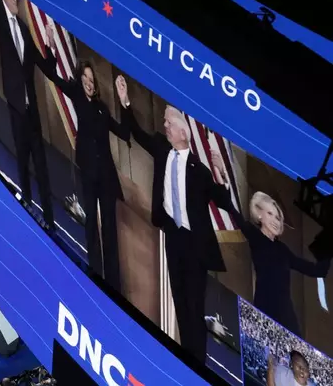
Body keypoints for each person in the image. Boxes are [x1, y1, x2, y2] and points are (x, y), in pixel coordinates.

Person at [116, 76, 232, 362]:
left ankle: (199, 363)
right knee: (179, 300)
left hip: (196, 245)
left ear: (183, 132)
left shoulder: (200, 170)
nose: (164, 125)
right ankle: (186, 357)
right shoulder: (160, 147)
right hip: (173, 235)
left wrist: (223, 174)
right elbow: (137, 133)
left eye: (168, 122)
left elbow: (223, 200)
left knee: (195, 305)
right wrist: (125, 102)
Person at [39, 30, 130, 289]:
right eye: (86, 78)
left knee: (110, 231)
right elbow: (51, 74)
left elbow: (123, 133)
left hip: (107, 178)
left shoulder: (103, 108)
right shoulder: (77, 96)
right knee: (92, 227)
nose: (90, 82)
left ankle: (114, 284)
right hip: (89, 173)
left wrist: (124, 103)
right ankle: (96, 277)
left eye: (92, 79)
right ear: (80, 80)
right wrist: (51, 49)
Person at [211, 155, 331, 337]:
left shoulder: (283, 250)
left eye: (277, 216)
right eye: (270, 214)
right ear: (259, 215)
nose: (276, 220)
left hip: (287, 317)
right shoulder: (256, 237)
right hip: (266, 310)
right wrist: (222, 172)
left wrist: (328, 246)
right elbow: (229, 206)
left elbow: (317, 271)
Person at [0, 0, 55, 231]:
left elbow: (45, 66)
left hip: (32, 110)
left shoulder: (24, 29)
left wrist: (49, 45)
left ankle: (49, 218)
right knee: (22, 158)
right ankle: (26, 205)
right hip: (16, 105)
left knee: (41, 163)